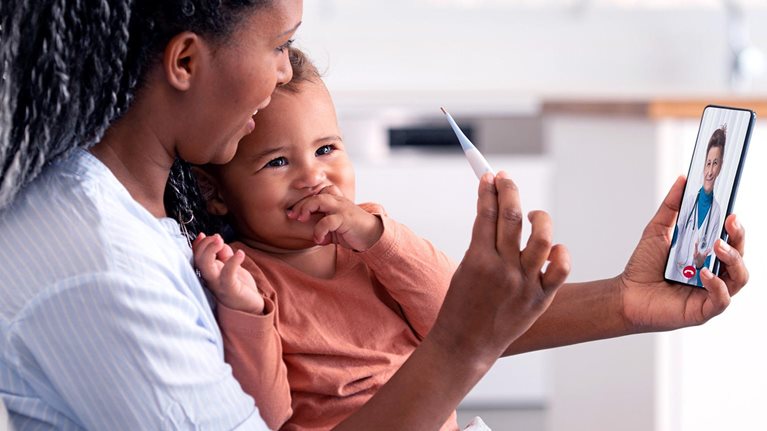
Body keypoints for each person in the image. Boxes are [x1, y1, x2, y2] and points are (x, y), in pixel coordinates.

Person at [0, 0, 749, 430]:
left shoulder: (152, 210)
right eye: (281, 45)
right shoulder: (110, 267)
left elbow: (437, 317)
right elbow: (443, 336)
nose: (285, 76)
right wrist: (459, 348)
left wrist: (623, 298)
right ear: (187, 62)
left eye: (326, 146)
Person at [190, 48, 492, 430]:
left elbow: (457, 314)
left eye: (325, 149)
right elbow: (266, 415)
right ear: (214, 193)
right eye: (278, 162)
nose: (313, 177)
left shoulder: (373, 239)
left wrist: (377, 238)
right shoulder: (243, 276)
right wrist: (248, 313)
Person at [667, 126, 726, 286]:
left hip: (694, 285)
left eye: (715, 163)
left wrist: (700, 264)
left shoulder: (717, 212)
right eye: (708, 163)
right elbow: (672, 239)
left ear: (721, 166)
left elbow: (707, 265)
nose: (710, 171)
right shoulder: (688, 201)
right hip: (672, 276)